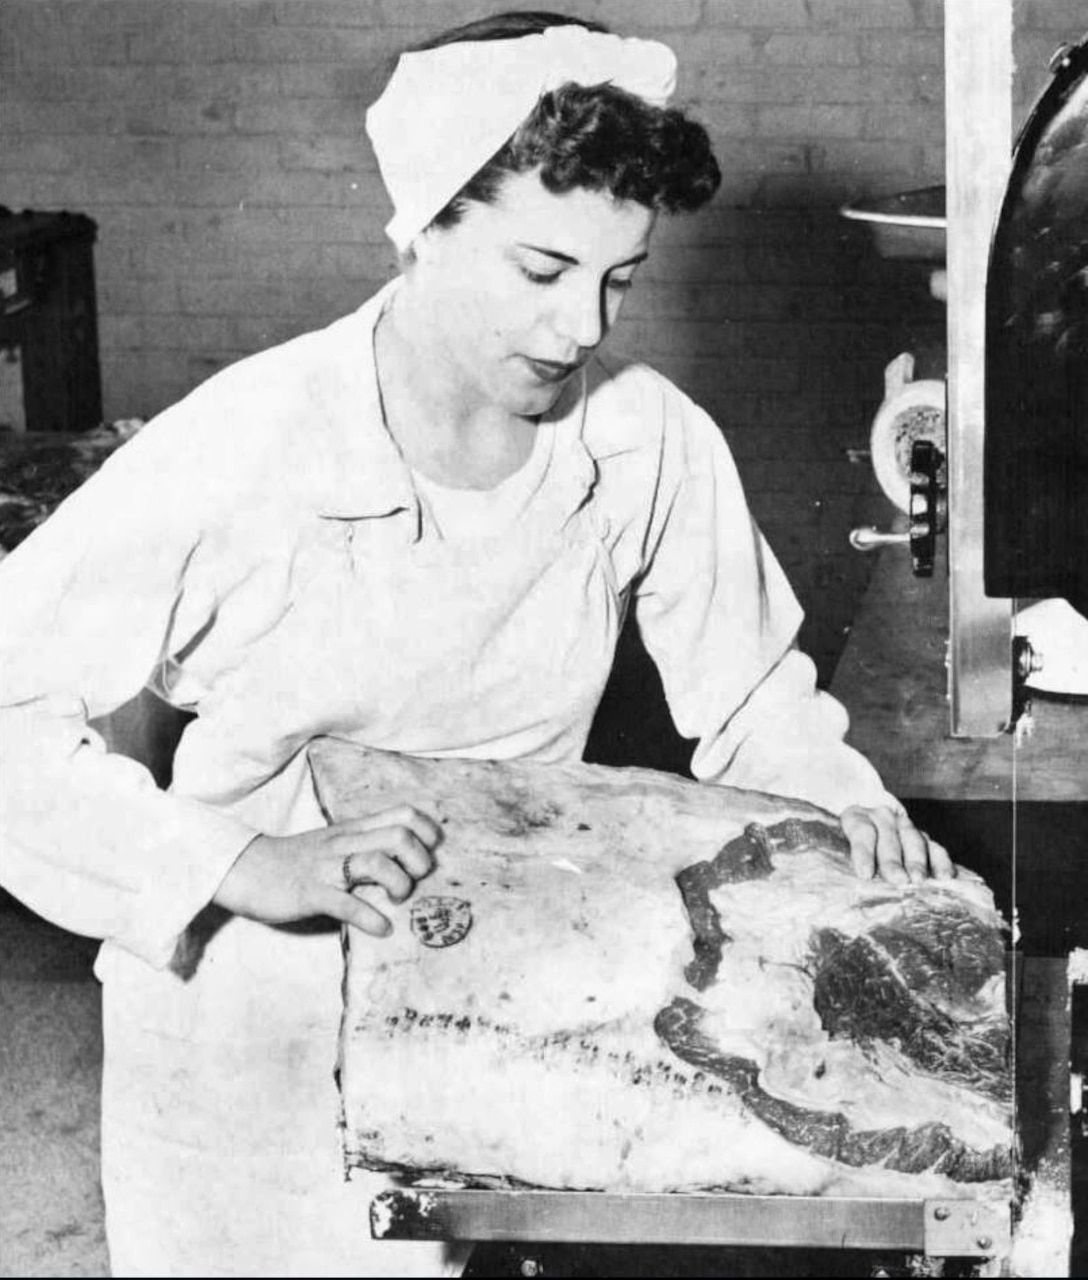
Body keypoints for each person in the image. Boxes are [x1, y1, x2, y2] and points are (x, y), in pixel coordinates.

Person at [0, 12, 954, 1278]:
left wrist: (847, 807)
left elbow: (748, 689)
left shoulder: (640, 439)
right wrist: (239, 859)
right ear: (424, 228)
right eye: (540, 269)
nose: (580, 328)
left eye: (617, 278)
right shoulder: (252, 440)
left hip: (517, 986)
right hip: (257, 1023)